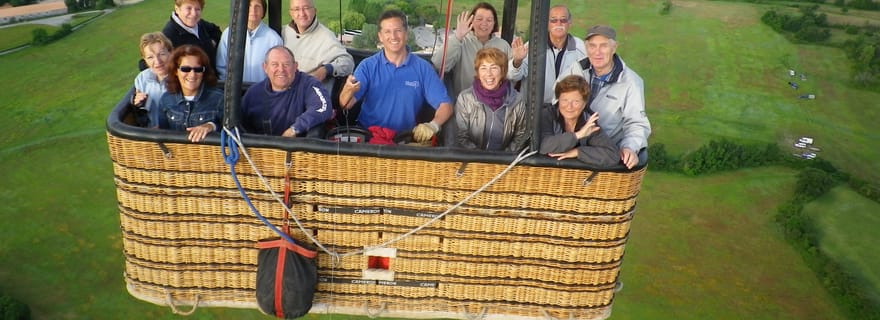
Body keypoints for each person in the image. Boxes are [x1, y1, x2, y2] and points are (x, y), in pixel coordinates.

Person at [339, 10, 453, 144]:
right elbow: (345, 104)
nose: (393, 36)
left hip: (403, 141)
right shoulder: (367, 66)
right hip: (369, 139)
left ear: (406, 33)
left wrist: (433, 125)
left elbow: (446, 106)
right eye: (387, 32)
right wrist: (347, 90)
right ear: (380, 36)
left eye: (398, 31)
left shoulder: (423, 69)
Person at [559, 25, 651, 169]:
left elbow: (637, 123)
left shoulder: (630, 82)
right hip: (568, 152)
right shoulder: (575, 69)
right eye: (592, 46)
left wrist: (629, 147)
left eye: (603, 46)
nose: (597, 52)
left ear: (614, 48)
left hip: (602, 159)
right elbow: (556, 103)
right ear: (586, 48)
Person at [240, 46, 333, 137]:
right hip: (259, 146)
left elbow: (323, 107)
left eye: (286, 64)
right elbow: (239, 123)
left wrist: (295, 129)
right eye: (275, 64)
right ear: (265, 68)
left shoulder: (309, 84)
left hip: (298, 146)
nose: (281, 70)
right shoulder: (253, 93)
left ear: (295, 66)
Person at [431, 2, 511, 101]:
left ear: (494, 23)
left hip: (497, 103)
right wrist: (457, 37)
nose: (484, 23)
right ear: (471, 21)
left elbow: (511, 75)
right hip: (465, 103)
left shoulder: (503, 45)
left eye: (489, 20)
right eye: (479, 19)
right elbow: (438, 64)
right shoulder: (461, 41)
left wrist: (517, 62)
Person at [507, 5, 585, 104]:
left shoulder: (581, 48)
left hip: (567, 108)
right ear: (547, 23)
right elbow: (512, 76)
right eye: (553, 20)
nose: (559, 24)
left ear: (570, 22)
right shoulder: (533, 46)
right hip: (535, 108)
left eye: (563, 20)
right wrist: (517, 61)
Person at [454, 47, 528, 151]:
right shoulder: (465, 99)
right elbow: (461, 136)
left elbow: (521, 135)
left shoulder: (517, 100)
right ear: (478, 73)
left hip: (505, 159)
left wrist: (504, 156)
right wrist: (480, 157)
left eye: (494, 68)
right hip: (473, 158)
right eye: (483, 68)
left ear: (502, 71)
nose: (488, 73)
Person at [540, 75, 619, 168]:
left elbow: (612, 154)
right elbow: (544, 147)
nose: (569, 106)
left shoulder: (588, 121)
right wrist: (578, 135)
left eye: (576, 101)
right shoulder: (547, 115)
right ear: (558, 100)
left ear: (584, 104)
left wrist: (578, 152)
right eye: (565, 100)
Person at [156, 45, 224, 143]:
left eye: (198, 69)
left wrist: (211, 126)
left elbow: (233, 132)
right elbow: (162, 134)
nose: (192, 75)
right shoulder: (166, 100)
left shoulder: (219, 99)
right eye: (185, 69)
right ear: (175, 71)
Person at [282, 0, 354, 93]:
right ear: (291, 13)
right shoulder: (283, 32)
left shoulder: (326, 37)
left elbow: (348, 62)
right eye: (296, 9)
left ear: (314, 11)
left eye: (306, 8)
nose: (302, 14)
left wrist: (325, 70)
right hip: (283, 91)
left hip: (308, 93)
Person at [216, 0, 283, 83]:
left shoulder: (274, 39)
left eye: (257, 6)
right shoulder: (229, 33)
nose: (253, 10)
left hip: (262, 89)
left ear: (263, 12)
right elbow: (221, 66)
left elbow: (277, 69)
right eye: (249, 6)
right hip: (235, 90)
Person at [160, 0, 222, 72]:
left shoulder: (200, 23)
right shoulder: (168, 36)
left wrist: (212, 42)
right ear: (177, 9)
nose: (194, 14)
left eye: (197, 9)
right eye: (189, 8)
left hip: (214, 76)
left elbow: (215, 30)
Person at [131, 32, 173, 127]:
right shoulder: (142, 78)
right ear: (145, 60)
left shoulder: (183, 77)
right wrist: (137, 103)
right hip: (151, 132)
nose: (157, 61)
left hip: (175, 133)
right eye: (150, 57)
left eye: (162, 54)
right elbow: (141, 114)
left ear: (171, 53)